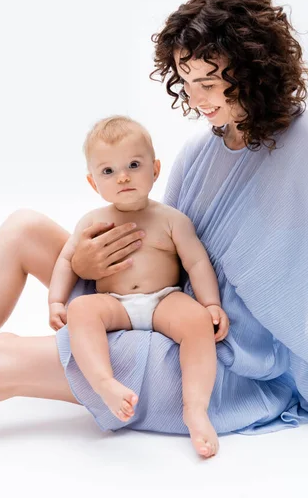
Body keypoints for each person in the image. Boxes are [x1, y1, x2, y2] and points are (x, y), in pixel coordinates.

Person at [0, 0, 308, 445]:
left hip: (209, 355)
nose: (198, 98)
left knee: (5, 357)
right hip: (158, 305)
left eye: (210, 80)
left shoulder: (305, 144)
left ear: (254, 70)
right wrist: (81, 266)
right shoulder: (201, 149)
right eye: (187, 81)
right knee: (24, 228)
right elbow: (170, 254)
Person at [48, 115, 229, 458]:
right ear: (92, 182)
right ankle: (105, 383)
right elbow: (65, 261)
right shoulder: (92, 222)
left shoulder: (171, 219)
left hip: (164, 299)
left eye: (133, 164)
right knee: (82, 309)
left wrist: (210, 304)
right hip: (114, 302)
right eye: (108, 171)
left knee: (196, 323)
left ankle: (195, 408)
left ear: (156, 169)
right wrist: (57, 300)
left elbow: (196, 263)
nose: (124, 177)